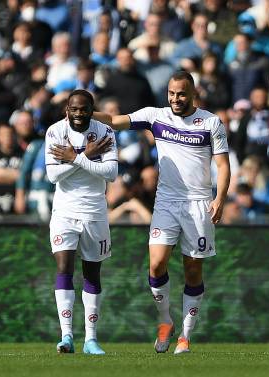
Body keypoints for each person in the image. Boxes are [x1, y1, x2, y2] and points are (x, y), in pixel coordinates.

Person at [94, 71, 230, 354]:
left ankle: (186, 336)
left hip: (198, 203)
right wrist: (82, 113)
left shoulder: (211, 122)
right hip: (166, 202)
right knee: (156, 265)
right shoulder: (156, 116)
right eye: (171, 93)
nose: (175, 99)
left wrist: (220, 198)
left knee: (193, 269)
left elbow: (223, 165)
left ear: (193, 93)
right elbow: (115, 121)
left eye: (181, 93)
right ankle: (166, 321)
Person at [45, 89, 118, 355]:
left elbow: (111, 172)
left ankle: (91, 339)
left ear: (91, 109)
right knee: (64, 268)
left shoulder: (105, 132)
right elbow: (53, 175)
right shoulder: (55, 132)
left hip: (95, 211)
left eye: (83, 109)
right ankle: (66, 336)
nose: (78, 114)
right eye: (73, 109)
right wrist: (87, 156)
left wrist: (75, 157)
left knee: (92, 273)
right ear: (67, 109)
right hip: (64, 211)